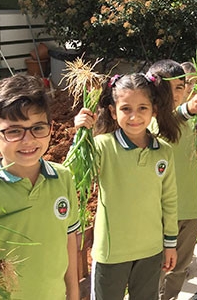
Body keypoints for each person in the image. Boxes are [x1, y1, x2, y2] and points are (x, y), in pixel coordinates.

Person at [0, 75, 80, 299]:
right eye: (14, 131)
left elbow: (69, 241)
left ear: (50, 128)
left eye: (37, 128)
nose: (28, 140)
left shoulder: (63, 178)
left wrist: (73, 293)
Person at [74, 73, 181, 300]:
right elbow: (76, 177)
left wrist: (170, 243)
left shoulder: (163, 151)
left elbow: (169, 200)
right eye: (125, 109)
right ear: (113, 111)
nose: (134, 116)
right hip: (111, 252)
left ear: (154, 110)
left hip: (151, 250)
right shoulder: (101, 146)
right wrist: (81, 137)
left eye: (142, 108)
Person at [147, 60, 197, 300]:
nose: (176, 94)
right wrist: (187, 110)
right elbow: (164, 126)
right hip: (159, 213)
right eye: (169, 88)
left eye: (181, 87)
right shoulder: (146, 119)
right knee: (155, 271)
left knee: (180, 268)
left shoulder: (191, 120)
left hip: (189, 208)